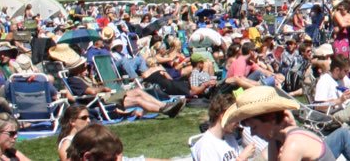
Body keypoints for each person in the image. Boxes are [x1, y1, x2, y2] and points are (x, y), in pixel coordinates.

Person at [53, 44, 186, 119]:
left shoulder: (81, 77)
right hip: (101, 101)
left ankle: (166, 106)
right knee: (137, 100)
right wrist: (103, 89)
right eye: (83, 66)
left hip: (105, 98)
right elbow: (91, 91)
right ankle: (164, 109)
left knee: (138, 91)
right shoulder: (74, 80)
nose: (85, 67)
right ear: (77, 68)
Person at [226, 86, 337, 161]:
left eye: (254, 127)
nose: (252, 133)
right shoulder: (279, 139)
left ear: (271, 118)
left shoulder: (293, 144)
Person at [191, 92, 259, 161]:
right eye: (235, 118)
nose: (238, 123)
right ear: (223, 116)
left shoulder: (229, 137)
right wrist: (242, 158)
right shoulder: (206, 147)